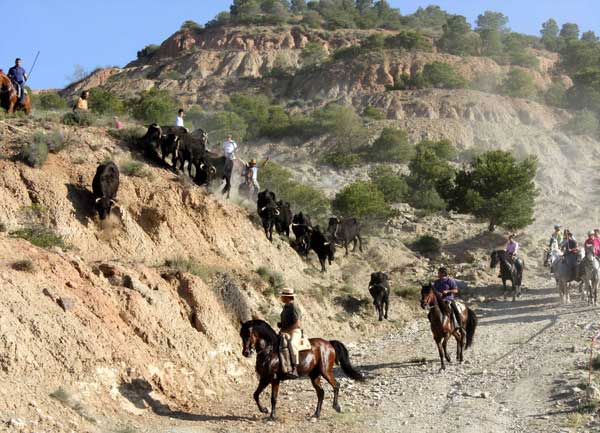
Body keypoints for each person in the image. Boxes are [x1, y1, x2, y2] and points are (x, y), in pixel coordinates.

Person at [276, 287, 302, 379]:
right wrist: (281, 324)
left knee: (292, 344)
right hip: (285, 331)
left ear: (287, 297)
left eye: (282, 296)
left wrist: (286, 330)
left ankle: (295, 368)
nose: (281, 298)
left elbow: (297, 323)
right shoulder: (286, 307)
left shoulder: (294, 307)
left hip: (294, 331)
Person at [433, 267, 463, 332]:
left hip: (448, 299)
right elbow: (434, 291)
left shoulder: (450, 281)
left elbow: (456, 290)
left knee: (455, 310)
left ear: (443, 273)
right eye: (438, 272)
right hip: (438, 300)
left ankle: (459, 325)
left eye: (439, 272)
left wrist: (447, 291)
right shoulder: (436, 282)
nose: (438, 274)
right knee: (431, 311)